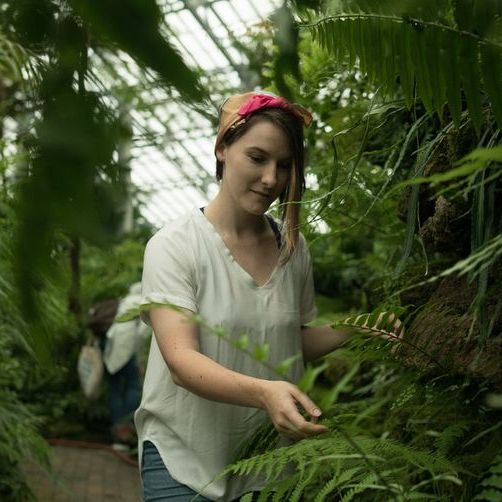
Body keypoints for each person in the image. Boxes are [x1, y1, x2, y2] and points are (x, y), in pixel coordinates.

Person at [135, 92, 399, 501]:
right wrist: (266, 391)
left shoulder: (293, 248)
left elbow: (291, 340)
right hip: (182, 461)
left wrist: (357, 329)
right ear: (222, 148)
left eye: (285, 166)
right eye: (257, 158)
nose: (272, 179)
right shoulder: (175, 245)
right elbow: (181, 362)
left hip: (266, 466)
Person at [102, 282, 150, 449]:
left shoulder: (125, 301)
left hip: (110, 346)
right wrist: (140, 362)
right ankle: (124, 433)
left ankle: (117, 430)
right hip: (127, 350)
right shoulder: (145, 302)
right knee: (133, 387)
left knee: (115, 389)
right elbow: (142, 336)